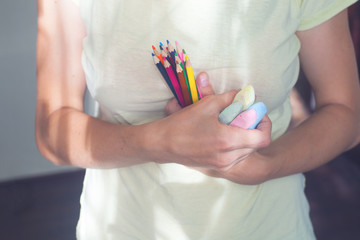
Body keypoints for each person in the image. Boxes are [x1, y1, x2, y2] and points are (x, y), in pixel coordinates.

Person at [35, 0, 360, 239]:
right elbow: (52, 128)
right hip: (122, 227)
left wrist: (266, 165)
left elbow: (347, 114)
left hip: (272, 226)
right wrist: (160, 141)